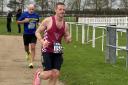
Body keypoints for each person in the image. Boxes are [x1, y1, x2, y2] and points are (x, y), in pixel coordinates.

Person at [33, 2, 71, 85]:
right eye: (60, 9)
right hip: (47, 49)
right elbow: (37, 32)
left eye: (63, 9)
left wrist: (68, 39)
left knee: (56, 74)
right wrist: (42, 41)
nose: (62, 11)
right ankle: (38, 74)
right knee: (48, 74)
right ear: (55, 10)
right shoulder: (48, 20)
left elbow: (67, 37)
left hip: (57, 50)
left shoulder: (66, 24)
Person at [17, 4, 40, 68]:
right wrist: (24, 21)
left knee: (33, 47)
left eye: (32, 9)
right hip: (26, 34)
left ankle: (31, 62)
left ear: (34, 9)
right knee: (26, 48)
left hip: (33, 34)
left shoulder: (36, 15)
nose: (31, 10)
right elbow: (18, 22)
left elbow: (38, 22)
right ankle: (27, 53)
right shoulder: (24, 14)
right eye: (30, 9)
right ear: (28, 9)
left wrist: (40, 24)